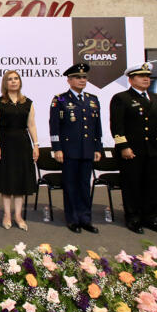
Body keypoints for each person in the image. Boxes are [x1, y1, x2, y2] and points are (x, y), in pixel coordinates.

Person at [109, 62, 157, 235]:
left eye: (148, 76)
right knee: (132, 185)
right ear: (131, 79)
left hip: (152, 149)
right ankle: (133, 218)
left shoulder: (155, 98)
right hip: (132, 150)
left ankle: (150, 218)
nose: (146, 79)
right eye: (142, 76)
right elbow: (117, 126)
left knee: (151, 185)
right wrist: (123, 146)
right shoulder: (122, 98)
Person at [49, 63, 103, 234]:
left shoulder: (92, 99)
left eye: (84, 77)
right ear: (69, 80)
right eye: (78, 77)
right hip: (69, 150)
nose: (82, 80)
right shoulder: (61, 99)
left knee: (85, 185)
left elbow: (97, 127)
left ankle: (85, 219)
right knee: (71, 185)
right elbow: (54, 126)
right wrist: (57, 148)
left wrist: (98, 147)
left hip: (87, 150)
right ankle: (73, 219)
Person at [0, 70, 38, 231]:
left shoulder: (28, 102)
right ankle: (7, 215)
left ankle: (18, 215)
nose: (13, 81)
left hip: (23, 145)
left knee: (20, 181)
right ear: (5, 83)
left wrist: (36, 144)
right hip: (4, 144)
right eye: (10, 79)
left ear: (20, 81)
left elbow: (31, 125)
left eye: (16, 78)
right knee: (7, 181)